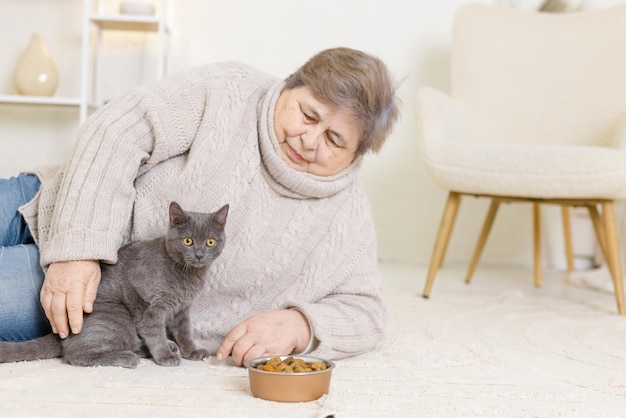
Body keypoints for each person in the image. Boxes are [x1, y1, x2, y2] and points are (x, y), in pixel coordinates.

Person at [0, 47, 399, 366]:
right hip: (58, 199)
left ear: (358, 153)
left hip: (107, 302)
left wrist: (300, 325)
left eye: (334, 140)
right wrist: (78, 246)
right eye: (307, 114)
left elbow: (366, 312)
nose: (309, 140)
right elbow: (117, 128)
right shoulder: (229, 88)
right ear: (290, 84)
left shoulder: (347, 215)